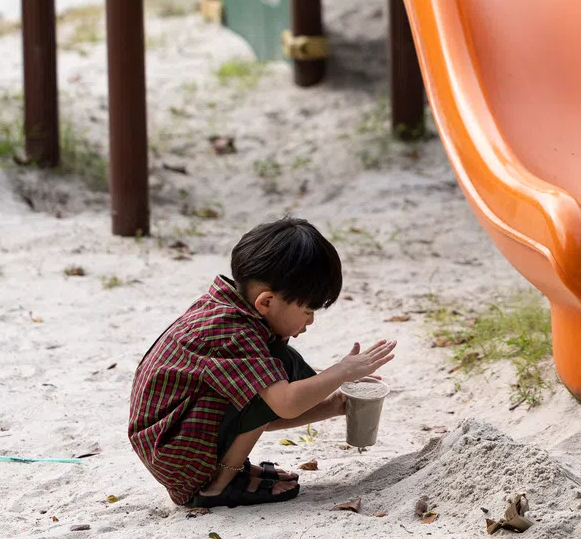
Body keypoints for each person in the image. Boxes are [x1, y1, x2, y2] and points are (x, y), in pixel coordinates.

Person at [128, 216, 397, 507]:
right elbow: (285, 404)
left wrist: (335, 405)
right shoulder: (234, 335)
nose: (311, 320)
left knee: (281, 365)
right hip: (178, 457)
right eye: (308, 310)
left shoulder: (231, 308)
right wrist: (342, 371)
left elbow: (269, 413)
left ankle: (229, 470)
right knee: (276, 370)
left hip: (172, 441)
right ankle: (216, 486)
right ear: (266, 302)